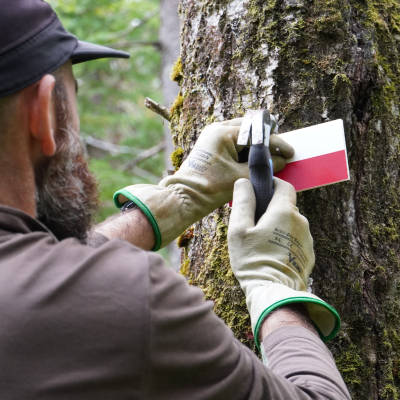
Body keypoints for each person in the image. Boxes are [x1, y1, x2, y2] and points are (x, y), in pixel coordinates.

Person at [0, 0, 351, 399]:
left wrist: (179, 198)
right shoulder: (130, 299)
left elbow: (34, 275)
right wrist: (275, 288)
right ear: (44, 112)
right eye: (73, 96)